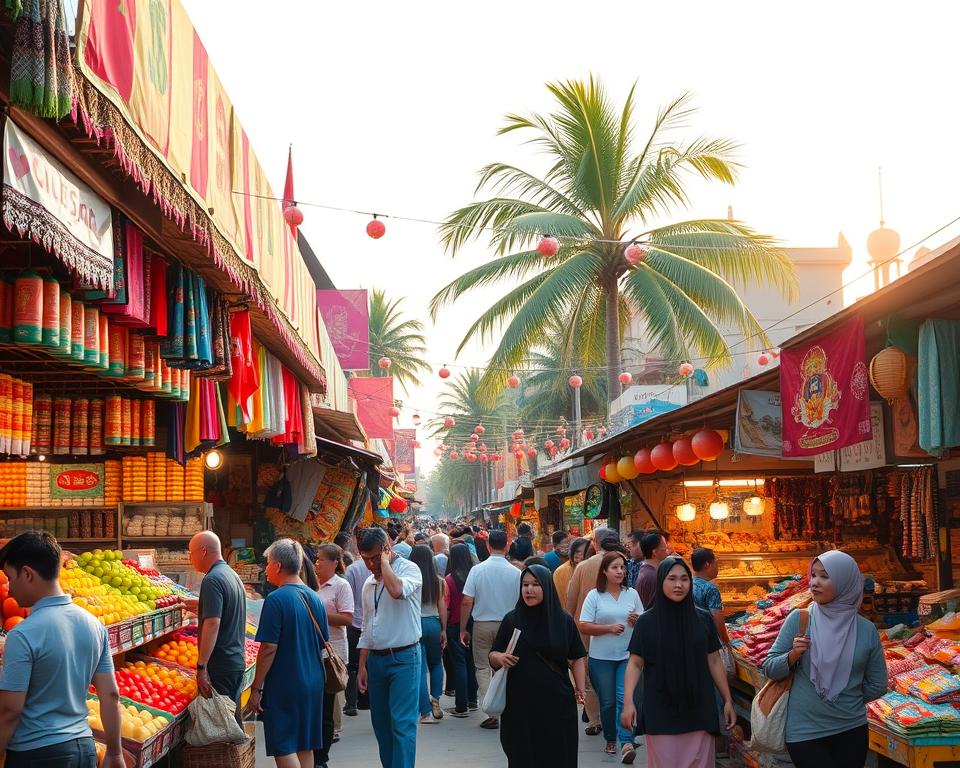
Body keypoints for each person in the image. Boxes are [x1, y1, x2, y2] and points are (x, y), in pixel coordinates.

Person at [0, 532, 124, 768]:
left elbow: (9, 710)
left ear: (27, 574)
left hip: (36, 754)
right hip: (84, 750)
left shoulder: (22, 634)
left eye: (10, 578)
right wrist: (115, 753)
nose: (9, 589)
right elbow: (111, 695)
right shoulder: (94, 624)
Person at [762, 551, 887, 768]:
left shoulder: (866, 630)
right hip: (805, 732)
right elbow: (769, 668)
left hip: (851, 729)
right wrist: (792, 656)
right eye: (813, 575)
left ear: (845, 582)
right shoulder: (800, 620)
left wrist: (846, 699)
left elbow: (878, 684)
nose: (815, 583)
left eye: (825, 577)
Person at [621, 556, 735, 768]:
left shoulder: (702, 619)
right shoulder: (646, 621)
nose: (678, 584)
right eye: (672, 578)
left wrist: (727, 699)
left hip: (699, 705)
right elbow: (635, 663)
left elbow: (713, 660)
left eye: (684, 579)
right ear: (661, 581)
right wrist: (628, 702)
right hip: (660, 707)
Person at [490, 565, 587, 768]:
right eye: (525, 585)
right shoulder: (512, 619)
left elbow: (577, 656)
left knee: (558, 754)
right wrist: (500, 658)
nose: (529, 590)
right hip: (519, 704)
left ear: (547, 587)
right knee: (522, 755)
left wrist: (580, 688)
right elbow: (493, 654)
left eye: (535, 584)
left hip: (557, 703)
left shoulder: (563, 621)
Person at [249, 539, 329, 768]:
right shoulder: (315, 597)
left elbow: (268, 649)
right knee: (305, 743)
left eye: (267, 563)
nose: (265, 569)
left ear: (277, 565)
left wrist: (256, 688)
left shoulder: (276, 599)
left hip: (286, 683)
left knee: (283, 744)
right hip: (313, 681)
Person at [356, 527, 422, 768]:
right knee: (382, 725)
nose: (370, 564)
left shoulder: (409, 569)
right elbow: (367, 625)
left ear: (387, 549)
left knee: (402, 725)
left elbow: (396, 591)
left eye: (374, 557)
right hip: (376, 659)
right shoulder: (367, 583)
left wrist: (384, 564)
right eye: (365, 559)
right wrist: (363, 664)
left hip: (405, 658)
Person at [578, 551, 644, 763]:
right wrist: (607, 628)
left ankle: (626, 741)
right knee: (606, 702)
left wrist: (637, 620)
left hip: (627, 656)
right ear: (604, 571)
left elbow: (643, 620)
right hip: (601, 658)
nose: (620, 571)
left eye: (622, 567)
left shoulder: (632, 594)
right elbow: (583, 625)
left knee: (624, 698)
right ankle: (609, 737)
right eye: (615, 567)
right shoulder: (594, 596)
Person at [460, 529, 520, 729]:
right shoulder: (516, 572)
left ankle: (491, 711)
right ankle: (509, 707)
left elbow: (467, 600)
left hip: (483, 625)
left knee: (483, 667)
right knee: (507, 667)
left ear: (487, 546)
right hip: (509, 625)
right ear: (507, 545)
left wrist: (462, 628)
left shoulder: (477, 570)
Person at [566, 527, 620, 736]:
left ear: (596, 542)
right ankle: (615, 719)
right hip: (618, 630)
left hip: (586, 629)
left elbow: (571, 601)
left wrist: (570, 620)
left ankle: (594, 720)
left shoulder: (583, 567)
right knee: (617, 673)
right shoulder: (624, 564)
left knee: (589, 677)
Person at [188, 531, 247, 720]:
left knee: (223, 730)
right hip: (234, 660)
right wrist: (201, 605)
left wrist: (201, 666)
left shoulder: (212, 579)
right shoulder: (231, 574)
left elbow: (213, 623)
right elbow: (225, 608)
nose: (190, 558)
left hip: (220, 664)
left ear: (203, 551)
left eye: (191, 553)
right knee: (232, 724)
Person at [314, 544, 354, 768]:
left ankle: (322, 758)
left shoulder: (341, 586)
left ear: (334, 563)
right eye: (316, 559)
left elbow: (348, 619)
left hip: (333, 654)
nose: (317, 563)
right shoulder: (311, 585)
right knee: (315, 707)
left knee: (328, 708)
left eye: (320, 559)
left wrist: (318, 613)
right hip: (312, 652)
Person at [409, 544, 447, 724]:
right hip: (433, 623)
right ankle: (436, 699)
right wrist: (444, 629)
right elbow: (442, 608)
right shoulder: (438, 581)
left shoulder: (410, 580)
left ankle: (425, 713)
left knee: (420, 669)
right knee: (436, 664)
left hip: (415, 625)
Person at [443, 543, 479, 717]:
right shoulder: (475, 576)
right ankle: (473, 700)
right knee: (471, 663)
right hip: (474, 623)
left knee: (459, 664)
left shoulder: (449, 580)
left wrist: (444, 627)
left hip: (455, 625)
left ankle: (461, 705)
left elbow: (447, 607)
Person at [343, 534, 371, 716]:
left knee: (353, 665)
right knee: (367, 663)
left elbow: (349, 598)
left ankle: (351, 702)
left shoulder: (352, 570)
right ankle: (366, 700)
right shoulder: (380, 566)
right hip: (370, 622)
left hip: (355, 622)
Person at [691, 548, 730, 646]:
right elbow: (717, 620)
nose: (718, 567)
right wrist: (726, 641)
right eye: (716, 563)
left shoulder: (688, 583)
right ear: (707, 565)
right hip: (708, 641)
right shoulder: (711, 589)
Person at [634, 531, 668, 610]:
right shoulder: (652, 576)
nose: (668, 552)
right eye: (665, 549)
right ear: (655, 552)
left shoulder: (647, 571)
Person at [553, 537, 589, 606]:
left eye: (585, 553)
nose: (581, 556)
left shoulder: (592, 570)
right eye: (577, 552)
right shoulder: (560, 572)